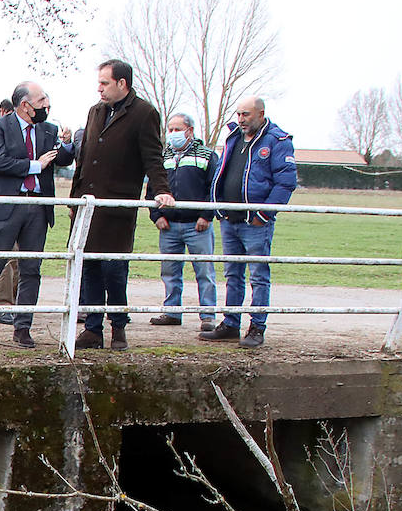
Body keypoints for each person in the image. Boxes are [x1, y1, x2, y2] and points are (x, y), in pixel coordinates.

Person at [70, 59, 174, 351]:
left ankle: (118, 327)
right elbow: (86, 155)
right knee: (88, 268)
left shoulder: (144, 114)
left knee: (114, 271)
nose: (99, 88)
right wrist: (75, 199)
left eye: (104, 83)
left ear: (122, 84)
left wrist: (161, 190)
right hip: (87, 207)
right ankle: (92, 329)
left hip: (116, 209)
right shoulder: (95, 111)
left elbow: (153, 158)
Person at [0, 81, 73, 349]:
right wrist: (37, 165)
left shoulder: (48, 129)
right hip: (5, 205)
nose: (46, 105)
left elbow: (63, 159)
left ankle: (22, 327)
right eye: (42, 101)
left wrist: (68, 145)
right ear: (25, 105)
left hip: (37, 208)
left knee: (31, 269)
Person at [200, 96, 297, 348]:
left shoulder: (277, 140)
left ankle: (257, 327)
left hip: (256, 223)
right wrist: (218, 206)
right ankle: (231, 323)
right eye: (238, 115)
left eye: (246, 115)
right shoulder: (233, 137)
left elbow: (285, 182)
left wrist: (263, 215)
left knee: (258, 275)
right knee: (232, 274)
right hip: (229, 220)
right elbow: (221, 173)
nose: (241, 120)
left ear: (261, 113)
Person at [149, 112, 218, 331]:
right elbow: (151, 189)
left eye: (177, 129)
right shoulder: (162, 157)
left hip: (197, 225)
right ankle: (171, 311)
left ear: (190, 131)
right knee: (169, 271)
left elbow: (214, 188)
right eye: (170, 130)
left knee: (204, 271)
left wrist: (206, 215)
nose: (172, 134)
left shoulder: (207, 156)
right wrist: (156, 216)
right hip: (168, 225)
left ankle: (208, 315)